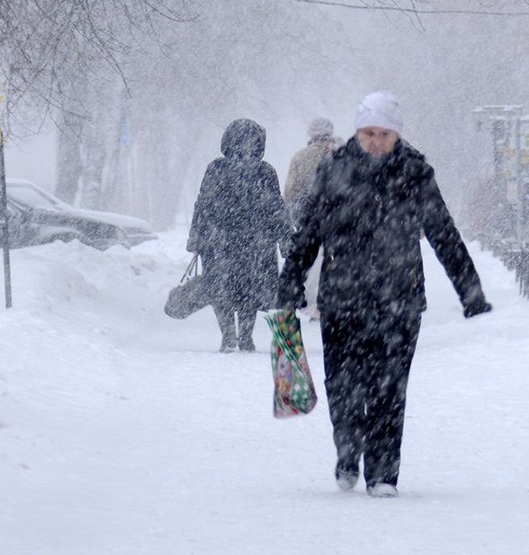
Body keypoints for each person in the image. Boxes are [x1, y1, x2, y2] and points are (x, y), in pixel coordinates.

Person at [276, 90, 492, 497]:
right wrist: (289, 286)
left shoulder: (415, 174)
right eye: (368, 132)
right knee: (342, 386)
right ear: (357, 132)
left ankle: (382, 474)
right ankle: (347, 452)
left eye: (384, 134)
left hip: (400, 301)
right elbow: (307, 236)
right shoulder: (334, 171)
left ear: (397, 135)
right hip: (342, 300)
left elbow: (443, 233)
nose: (376, 141)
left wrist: (471, 292)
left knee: (389, 390)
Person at [188, 118, 291, 353]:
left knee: (229, 288)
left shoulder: (219, 169)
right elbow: (277, 208)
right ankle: (239, 336)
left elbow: (203, 205)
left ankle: (234, 336)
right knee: (245, 290)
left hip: (225, 241)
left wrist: (196, 237)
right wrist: (284, 239)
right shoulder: (262, 171)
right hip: (251, 242)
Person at [282, 116, 342, 321]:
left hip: (309, 217)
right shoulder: (341, 153)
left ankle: (313, 302)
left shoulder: (300, 157)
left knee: (312, 261)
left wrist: (293, 216)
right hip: (338, 216)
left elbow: (290, 191)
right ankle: (330, 301)